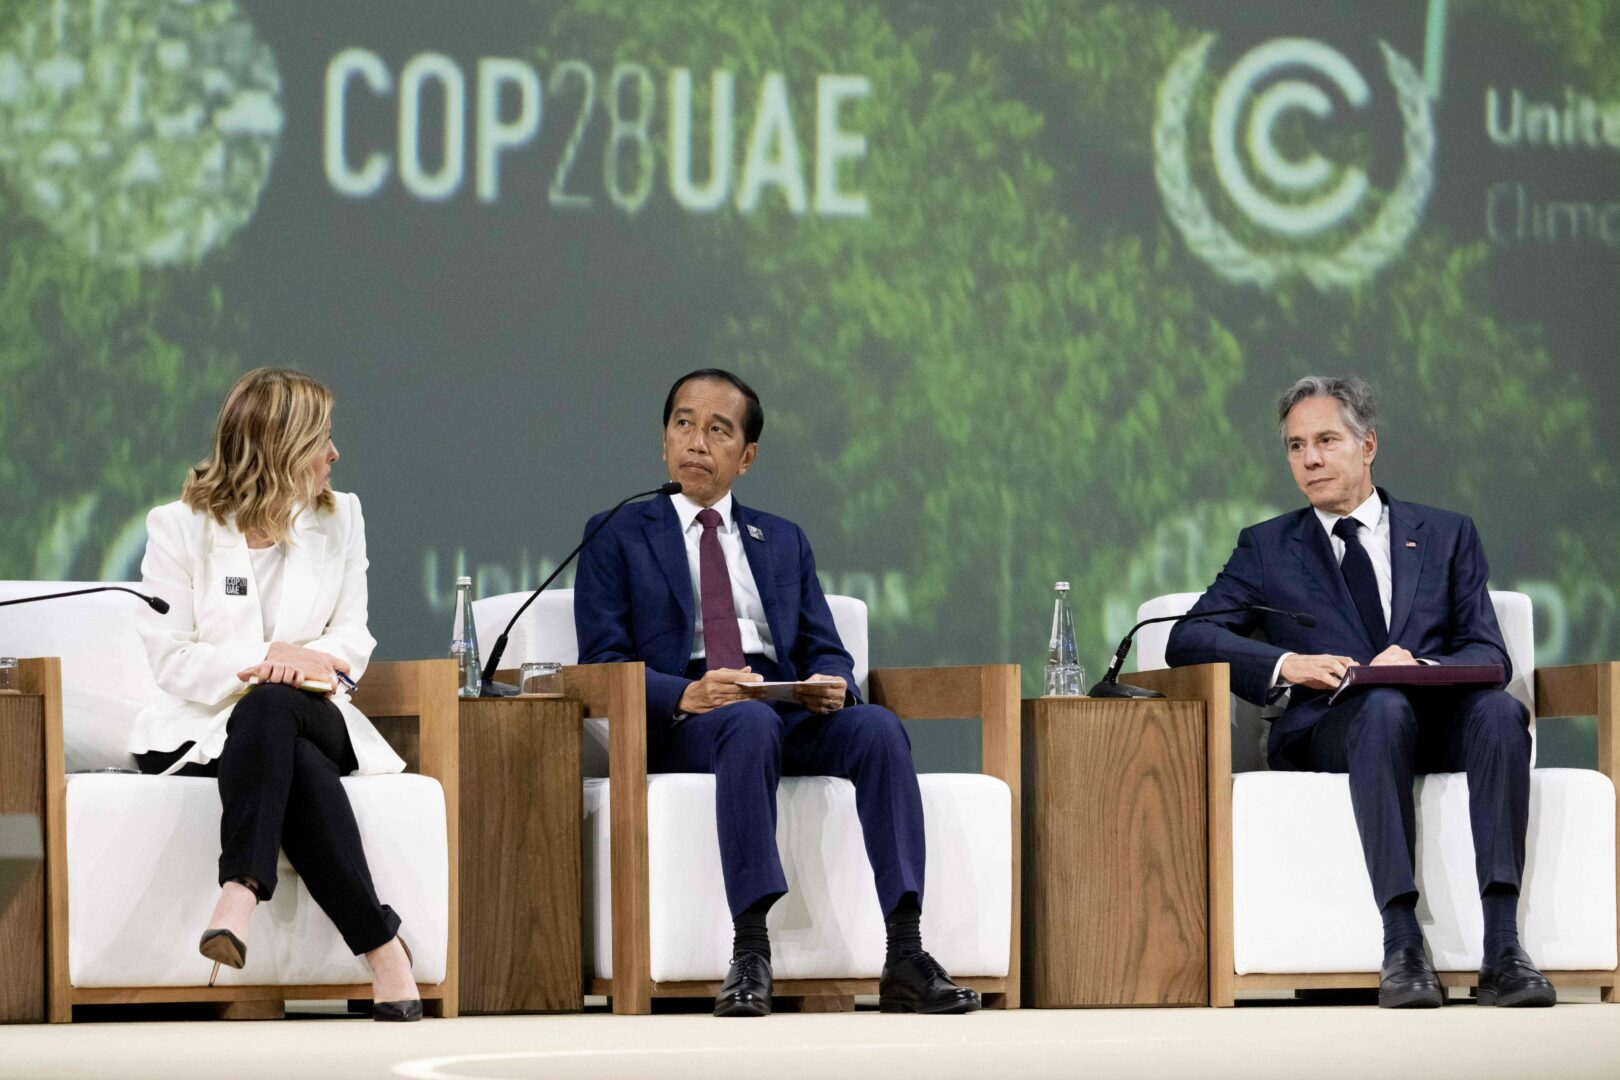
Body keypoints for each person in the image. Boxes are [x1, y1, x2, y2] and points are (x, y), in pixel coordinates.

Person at [574, 368, 980, 1017]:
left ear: (747, 456)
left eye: (718, 430)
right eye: (683, 424)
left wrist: (830, 685)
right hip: (690, 721)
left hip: (783, 705)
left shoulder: (782, 539)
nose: (696, 442)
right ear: (663, 439)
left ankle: (906, 952)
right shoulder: (617, 532)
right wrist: (688, 694)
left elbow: (825, 645)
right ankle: (750, 951)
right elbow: (602, 662)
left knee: (877, 727)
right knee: (747, 723)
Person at [1167, 375, 1553, 1009]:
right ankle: (1402, 944)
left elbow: (1488, 654)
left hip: (1435, 720)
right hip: (1332, 727)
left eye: (1326, 441)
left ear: (1367, 445)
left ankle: (1504, 948)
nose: (1310, 459)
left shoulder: (1446, 534)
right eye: (1296, 446)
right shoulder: (1268, 547)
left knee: (1499, 711)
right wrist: (1288, 663)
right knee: (1381, 707)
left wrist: (1416, 663)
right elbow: (1190, 638)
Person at [130, 367, 423, 1021]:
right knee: (285, 744)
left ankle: (239, 890)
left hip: (315, 706)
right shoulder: (178, 527)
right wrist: (267, 661)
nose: (334, 454)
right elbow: (171, 656)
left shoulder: (342, 516)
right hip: (203, 725)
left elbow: (352, 632)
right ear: (278, 447)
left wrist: (302, 666)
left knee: (273, 708)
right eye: (321, 439)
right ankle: (383, 949)